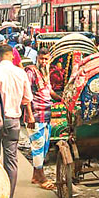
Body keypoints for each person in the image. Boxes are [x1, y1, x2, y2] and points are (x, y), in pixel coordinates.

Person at [0, 44, 33, 198]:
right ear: (12, 57)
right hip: (13, 120)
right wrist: (29, 115)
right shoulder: (20, 73)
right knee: (11, 161)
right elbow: (27, 98)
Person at [26, 52, 58, 189]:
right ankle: (42, 178)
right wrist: (30, 115)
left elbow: (49, 91)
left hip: (46, 114)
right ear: (37, 59)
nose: (44, 61)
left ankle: (35, 175)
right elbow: (26, 93)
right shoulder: (31, 71)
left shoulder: (45, 74)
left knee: (44, 146)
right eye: (42, 59)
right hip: (36, 114)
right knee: (38, 145)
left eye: (46, 59)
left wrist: (63, 99)